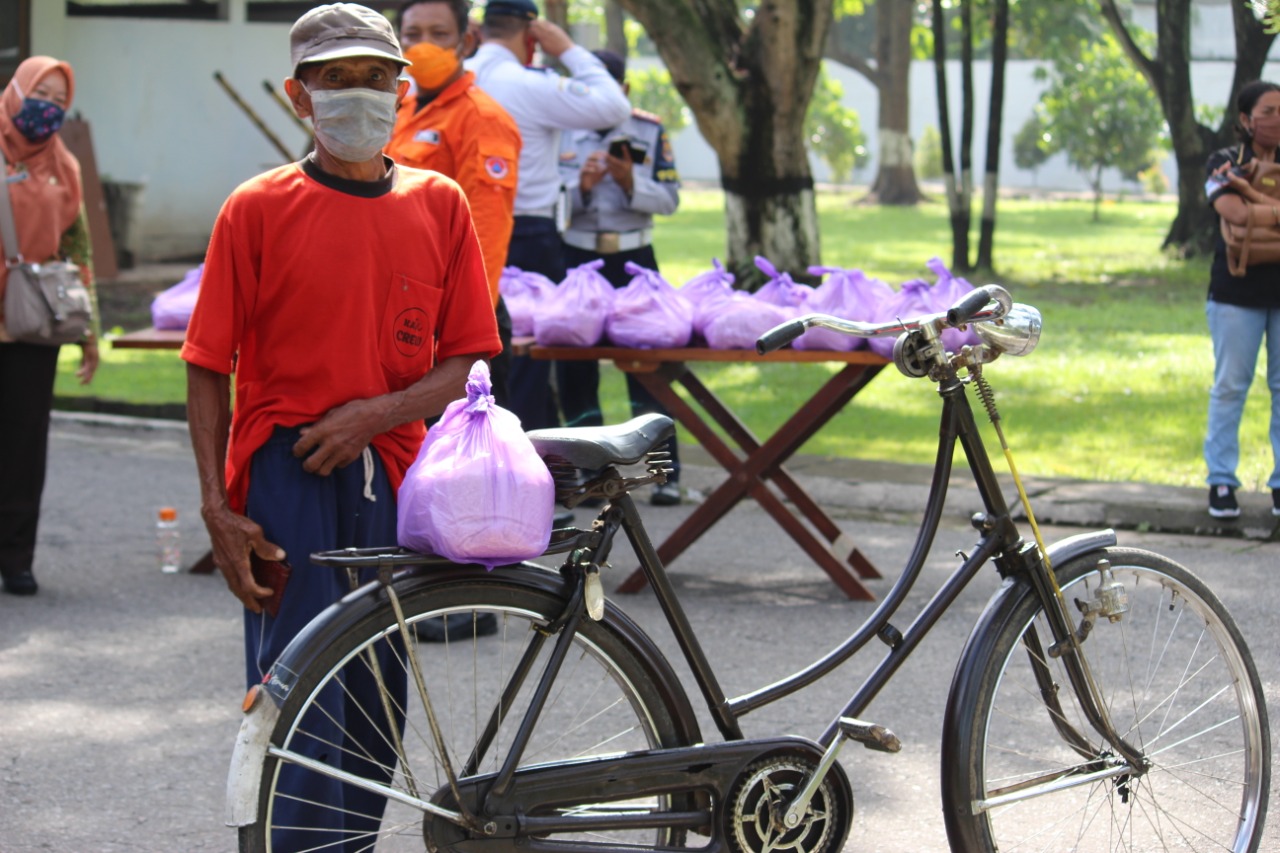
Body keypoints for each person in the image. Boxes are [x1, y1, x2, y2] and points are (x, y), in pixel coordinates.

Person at [180, 4, 499, 846]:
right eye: (335, 80)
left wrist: (377, 413)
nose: (358, 96)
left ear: (401, 91)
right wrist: (217, 505)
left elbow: (467, 359)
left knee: (378, 692)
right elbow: (207, 362)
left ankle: (348, 844)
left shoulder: (440, 204)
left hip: (396, 470)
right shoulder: (256, 209)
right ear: (299, 96)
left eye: (374, 79)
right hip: (286, 475)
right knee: (295, 684)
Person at [468, 0, 630, 431]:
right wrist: (569, 49)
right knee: (527, 360)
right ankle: (530, 467)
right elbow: (614, 107)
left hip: (458, 231)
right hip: (525, 232)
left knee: (468, 354)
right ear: (531, 35)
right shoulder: (525, 82)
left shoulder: (459, 80)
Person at [556, 50, 682, 505]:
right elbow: (549, 201)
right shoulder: (562, 129)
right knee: (574, 369)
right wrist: (582, 189)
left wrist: (631, 183)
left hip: (634, 258)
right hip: (578, 258)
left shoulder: (648, 130)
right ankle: (583, 476)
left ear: (623, 91)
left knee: (647, 368)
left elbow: (670, 200)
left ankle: (664, 474)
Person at [387, 0, 521, 404]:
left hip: (454, 323)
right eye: (412, 35)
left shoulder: (482, 120)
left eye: (438, 34)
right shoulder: (400, 108)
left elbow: (486, 234)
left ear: (466, 40)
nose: (423, 45)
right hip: (401, 311)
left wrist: (459, 333)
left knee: (460, 461)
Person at [0, 56, 99, 597]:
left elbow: (76, 248)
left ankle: (16, 558)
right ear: (15, 91)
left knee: (23, 447)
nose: (49, 109)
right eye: (41, 94)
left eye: (60, 101)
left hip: (31, 325)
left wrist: (87, 331)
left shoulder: (63, 165)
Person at [1203, 80, 1280, 520]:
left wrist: (1254, 207)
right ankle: (1221, 483)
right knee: (1231, 387)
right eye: (1268, 110)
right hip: (1235, 294)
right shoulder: (1224, 161)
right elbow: (1230, 213)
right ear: (1246, 119)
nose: (1276, 119)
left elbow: (1244, 214)